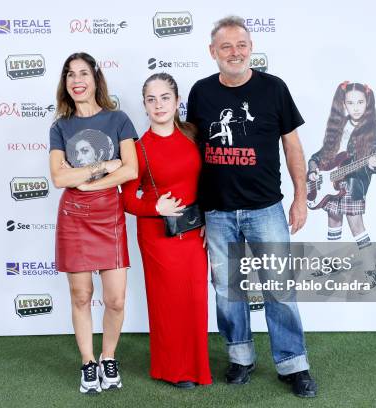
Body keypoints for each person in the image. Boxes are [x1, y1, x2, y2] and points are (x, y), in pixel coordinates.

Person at [186, 16, 317, 398]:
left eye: (241, 45)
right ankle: (240, 357)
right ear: (213, 52)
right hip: (218, 211)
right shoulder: (201, 92)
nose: (235, 52)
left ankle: (293, 363)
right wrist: (197, 210)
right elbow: (191, 153)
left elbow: (292, 146)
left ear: (251, 47)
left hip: (266, 209)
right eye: (226, 46)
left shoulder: (273, 88)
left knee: (279, 288)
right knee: (228, 291)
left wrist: (300, 197)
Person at [49, 52, 138, 394]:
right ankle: (88, 362)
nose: (76, 80)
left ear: (95, 78)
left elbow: (129, 169)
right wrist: (103, 166)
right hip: (74, 218)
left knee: (115, 299)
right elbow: (59, 177)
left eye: (83, 73)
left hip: (109, 215)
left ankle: (108, 357)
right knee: (81, 295)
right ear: (65, 83)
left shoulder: (118, 120)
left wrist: (87, 182)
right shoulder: (60, 126)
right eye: (70, 74)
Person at [121, 73, 212, 388]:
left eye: (164, 98)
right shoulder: (138, 147)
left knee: (195, 301)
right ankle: (173, 370)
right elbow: (127, 199)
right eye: (151, 99)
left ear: (176, 102)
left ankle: (197, 367)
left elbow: (207, 183)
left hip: (194, 233)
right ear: (144, 105)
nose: (158, 105)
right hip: (158, 237)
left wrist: (209, 220)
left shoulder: (192, 136)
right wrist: (154, 208)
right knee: (168, 305)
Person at [308, 82, 376, 286]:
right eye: (351, 103)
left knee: (356, 226)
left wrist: (375, 163)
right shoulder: (338, 126)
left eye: (360, 102)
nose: (356, 107)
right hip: (332, 183)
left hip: (353, 186)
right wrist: (313, 169)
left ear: (367, 103)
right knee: (333, 222)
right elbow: (323, 154)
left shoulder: (371, 130)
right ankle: (333, 265)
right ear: (344, 104)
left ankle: (371, 272)